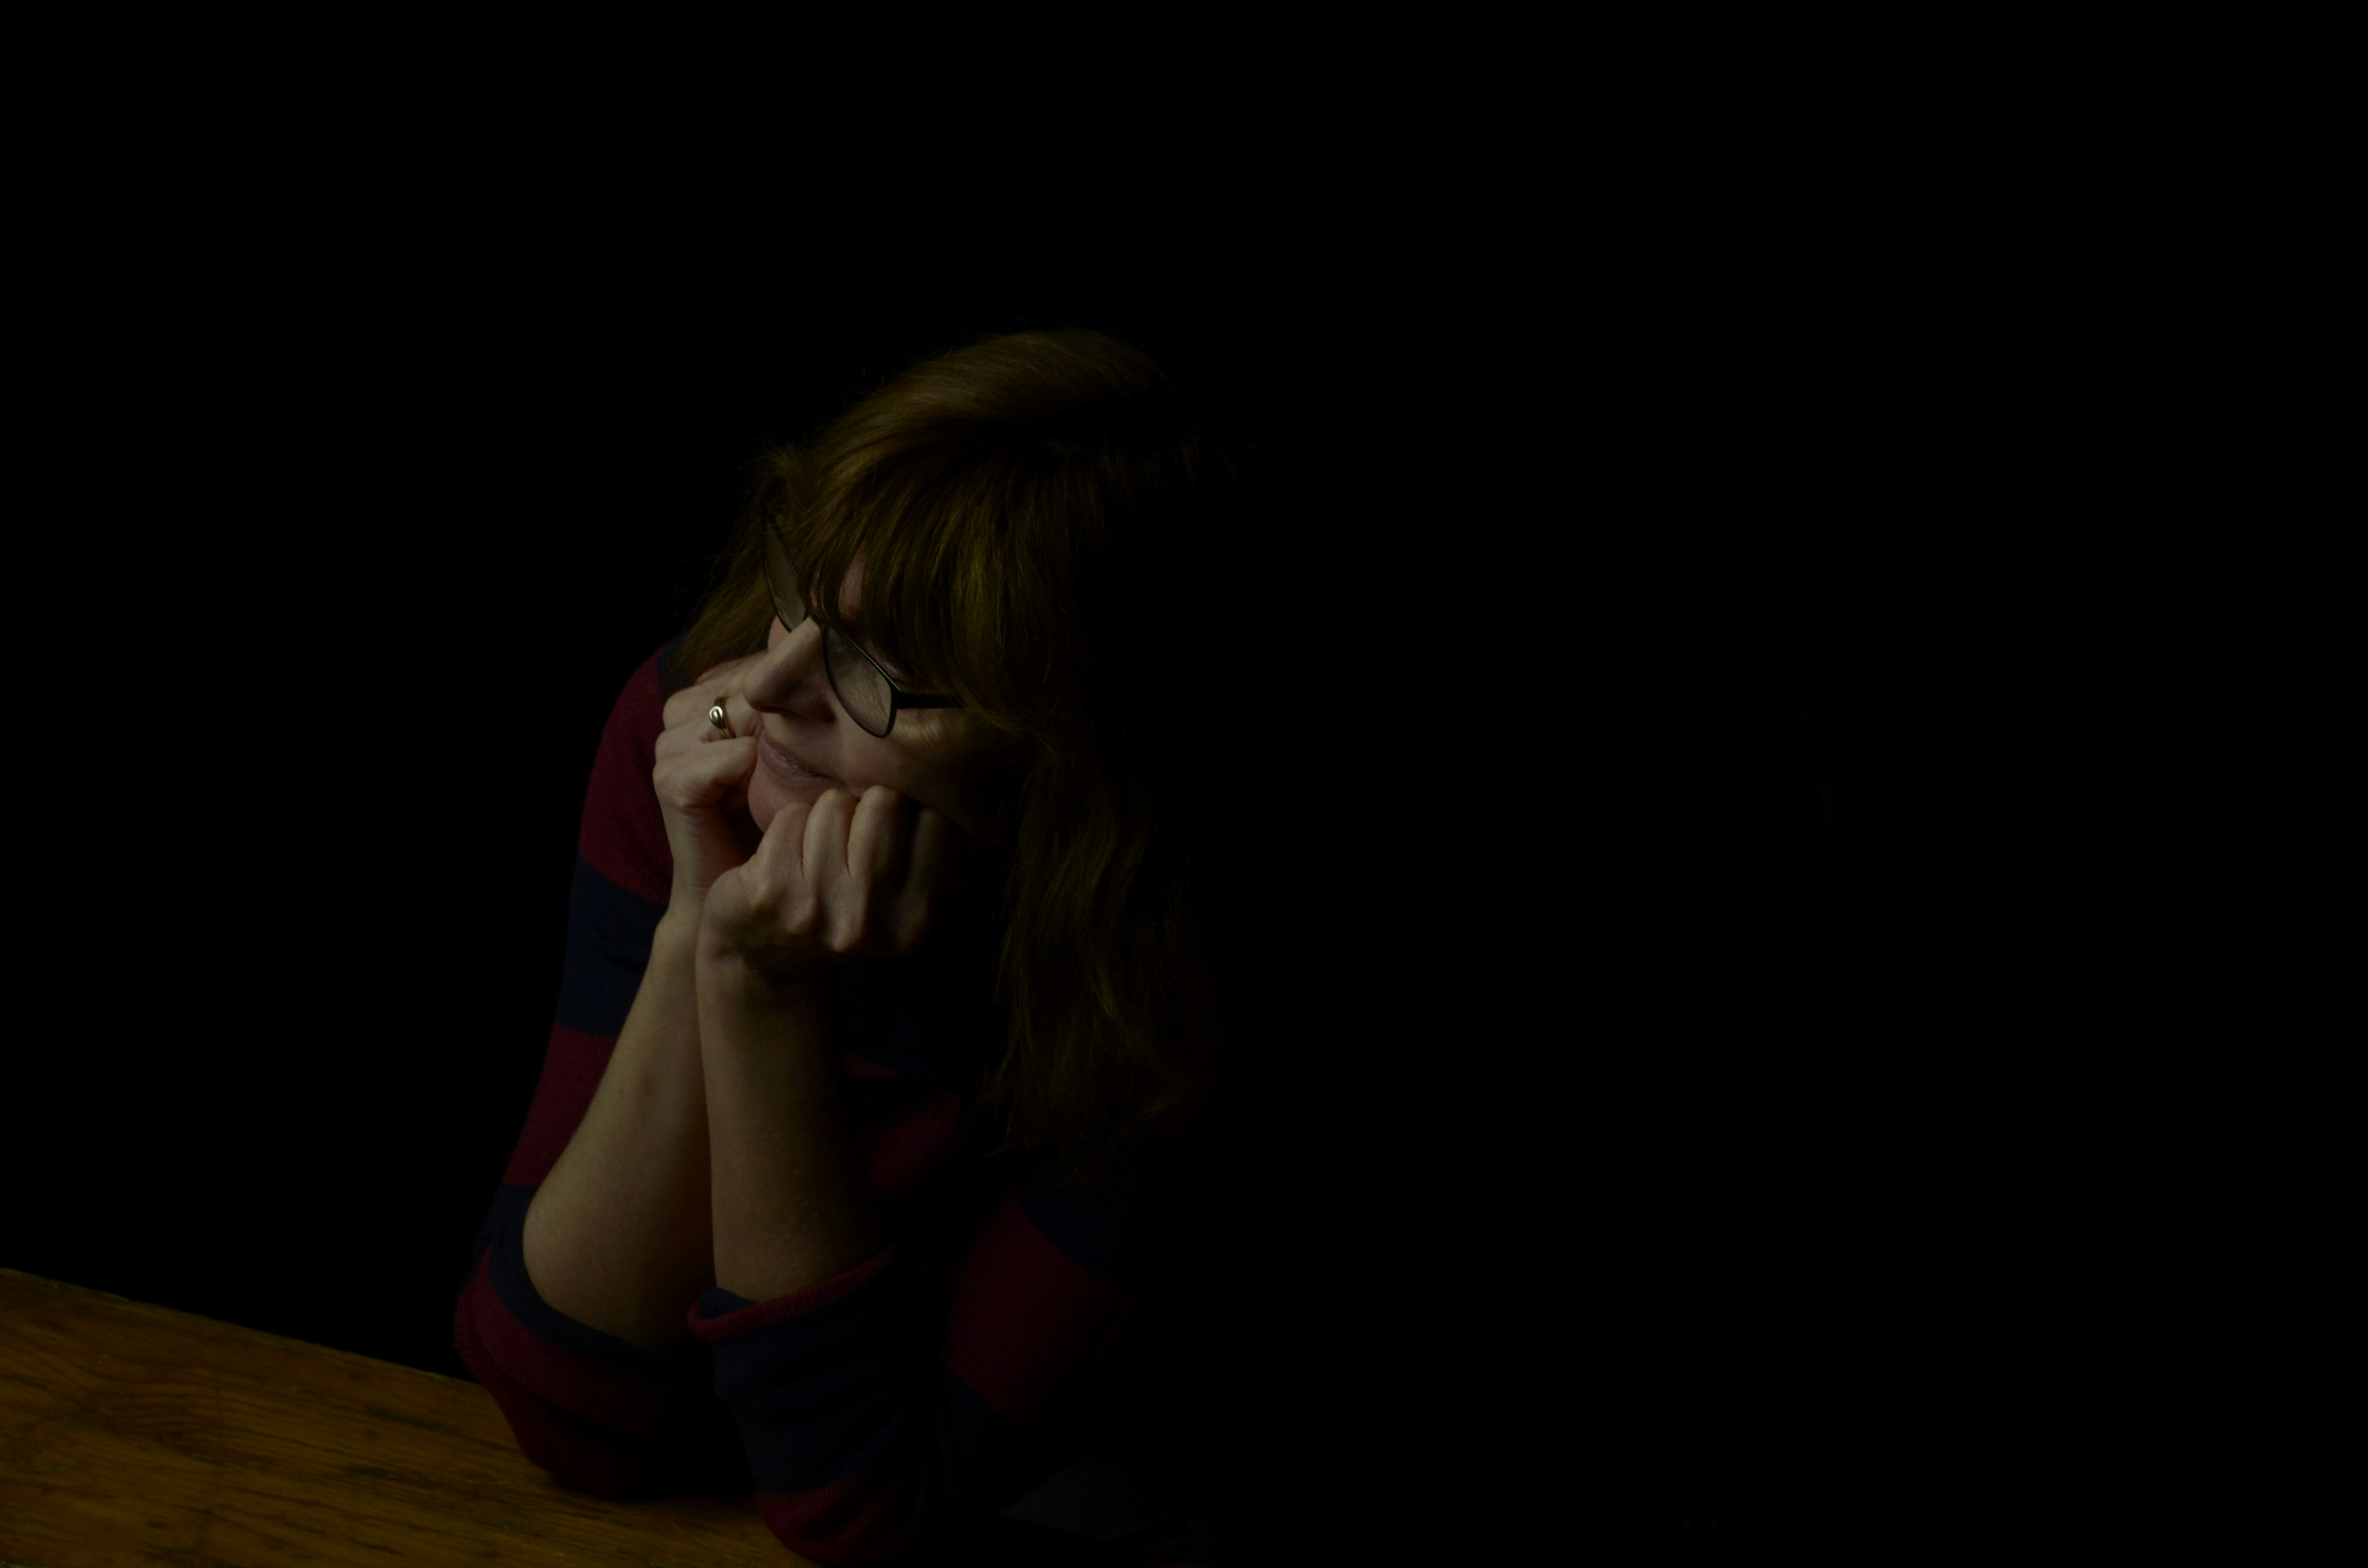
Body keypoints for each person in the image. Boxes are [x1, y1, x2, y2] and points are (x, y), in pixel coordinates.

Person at [452, 328, 1292, 1566]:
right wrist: (701, 922)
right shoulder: (705, 725)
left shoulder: (1172, 967)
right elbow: (558, 1399)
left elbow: (864, 1515)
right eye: (807, 596)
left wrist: (763, 993)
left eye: (883, 670)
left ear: (1063, 768)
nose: (773, 682)